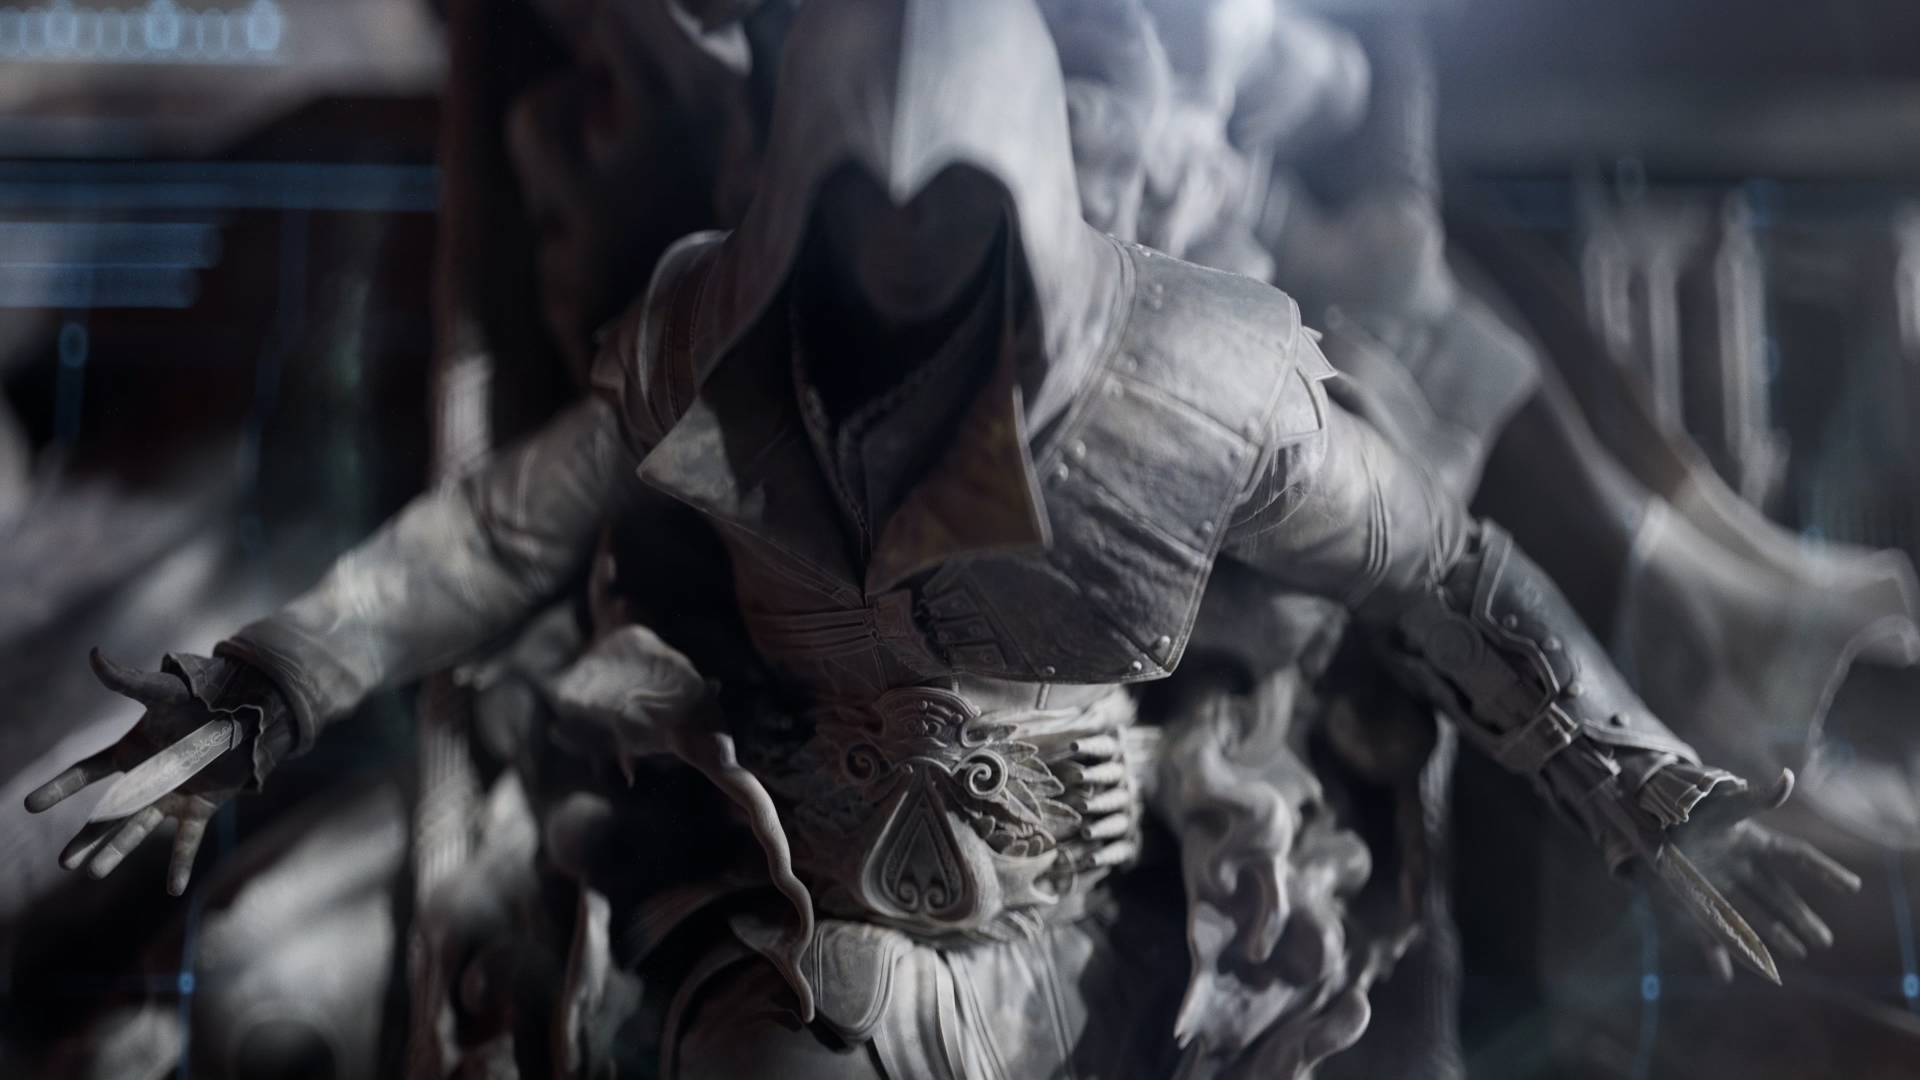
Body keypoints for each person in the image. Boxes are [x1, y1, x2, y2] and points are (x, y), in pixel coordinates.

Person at [27, 0, 1858, 1075]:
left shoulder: (1206, 378)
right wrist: (274, 684)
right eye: (864, 207)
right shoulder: (703, 333)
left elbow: (1438, 571)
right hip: (800, 932)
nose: (903, 245)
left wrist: (1623, 774)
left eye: (952, 209)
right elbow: (505, 535)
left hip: (1117, 939)